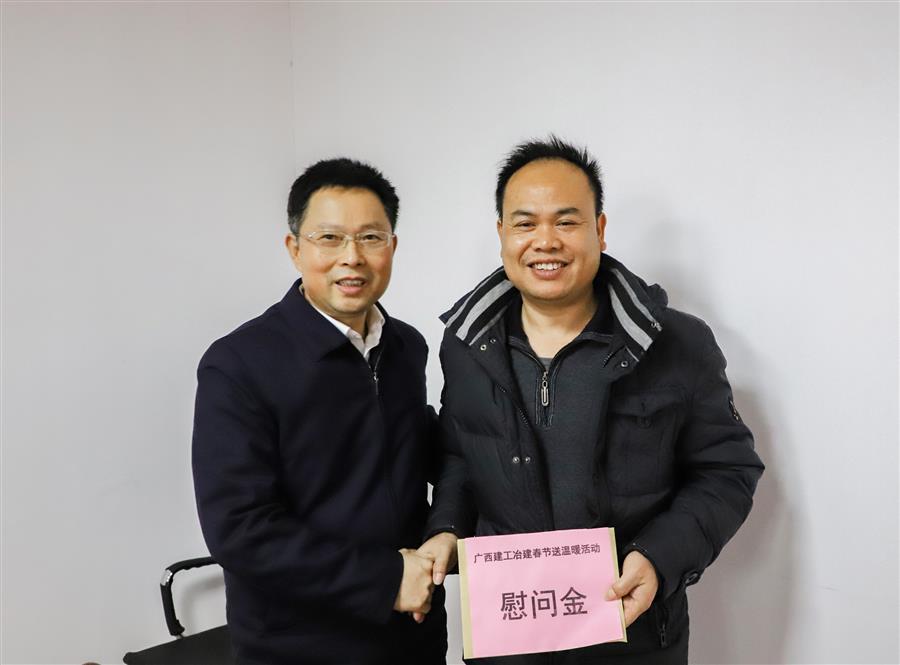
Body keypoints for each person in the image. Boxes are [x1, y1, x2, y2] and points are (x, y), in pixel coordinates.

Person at [418, 137, 765, 664]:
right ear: (502, 234)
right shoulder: (467, 345)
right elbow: (460, 456)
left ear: (599, 230)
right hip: (509, 638)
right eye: (525, 223)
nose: (546, 241)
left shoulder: (676, 343)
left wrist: (657, 558)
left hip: (634, 634)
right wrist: (446, 529)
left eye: (566, 221)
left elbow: (726, 470)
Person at [192, 158, 446, 664]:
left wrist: (451, 529)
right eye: (329, 238)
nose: (352, 257)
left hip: (412, 639)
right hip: (298, 647)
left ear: (392, 246)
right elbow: (240, 529)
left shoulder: (406, 346)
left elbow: (426, 453)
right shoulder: (239, 363)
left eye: (370, 238)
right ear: (295, 249)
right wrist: (385, 579)